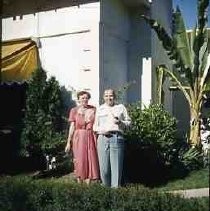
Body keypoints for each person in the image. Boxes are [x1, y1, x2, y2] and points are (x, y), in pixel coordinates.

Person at [93, 89, 131, 188]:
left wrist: (121, 123)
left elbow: (129, 123)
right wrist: (101, 131)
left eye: (111, 96)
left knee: (116, 168)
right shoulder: (100, 109)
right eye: (106, 96)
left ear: (115, 97)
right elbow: (95, 127)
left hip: (116, 138)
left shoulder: (120, 107)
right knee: (104, 169)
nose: (109, 98)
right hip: (103, 138)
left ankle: (115, 192)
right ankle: (106, 190)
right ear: (103, 97)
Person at [65, 91, 99, 184]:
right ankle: (79, 181)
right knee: (79, 158)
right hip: (78, 136)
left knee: (90, 158)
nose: (84, 99)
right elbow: (72, 126)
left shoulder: (94, 109)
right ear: (79, 99)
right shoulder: (74, 110)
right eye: (82, 98)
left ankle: (89, 183)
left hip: (90, 136)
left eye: (86, 98)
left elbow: (98, 123)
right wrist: (68, 142)